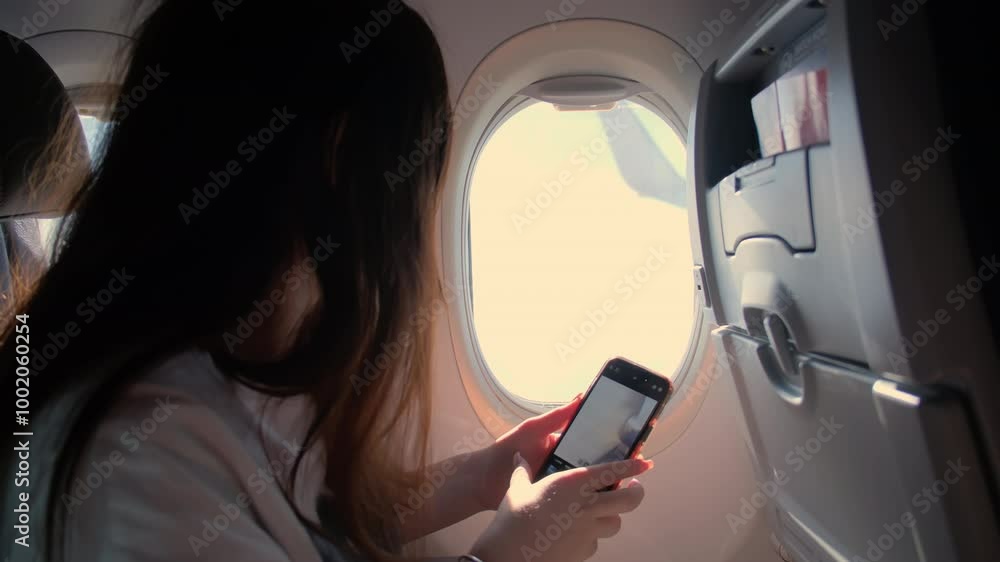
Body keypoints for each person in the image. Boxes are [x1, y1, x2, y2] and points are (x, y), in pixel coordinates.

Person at [0, 1, 653, 561]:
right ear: (341, 161)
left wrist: (484, 474)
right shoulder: (139, 453)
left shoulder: (227, 365)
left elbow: (309, 510)